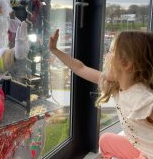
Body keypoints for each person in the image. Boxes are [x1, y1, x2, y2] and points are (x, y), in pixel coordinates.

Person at [49, 29, 153, 159]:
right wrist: (54, 50)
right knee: (105, 140)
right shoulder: (116, 86)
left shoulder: (143, 99)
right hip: (141, 149)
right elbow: (79, 68)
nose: (106, 56)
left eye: (111, 52)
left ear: (126, 63)